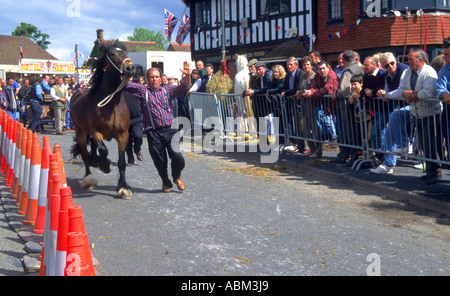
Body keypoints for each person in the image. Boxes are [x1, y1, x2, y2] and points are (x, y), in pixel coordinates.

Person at [124, 61, 191, 193]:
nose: (154, 79)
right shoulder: (143, 91)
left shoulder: (167, 90)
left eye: (156, 77)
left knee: (178, 158)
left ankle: (176, 177)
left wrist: (188, 75)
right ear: (148, 79)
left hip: (170, 130)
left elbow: (185, 86)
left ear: (161, 79)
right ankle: (166, 182)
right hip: (153, 132)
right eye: (151, 77)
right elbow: (126, 85)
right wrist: (125, 72)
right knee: (160, 161)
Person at [398, 48, 442, 185]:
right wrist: (407, 94)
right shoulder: (407, 72)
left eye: (411, 59)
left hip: (430, 113)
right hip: (417, 112)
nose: (408, 62)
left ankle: (434, 172)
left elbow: (428, 92)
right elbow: (401, 89)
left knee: (430, 144)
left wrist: (412, 95)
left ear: (420, 60)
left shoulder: (429, 72)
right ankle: (432, 170)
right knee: (423, 143)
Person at [371, 52, 410, 174]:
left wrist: (387, 95)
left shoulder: (404, 70)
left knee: (393, 118)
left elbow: (401, 91)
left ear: (396, 61)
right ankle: (389, 164)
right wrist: (382, 92)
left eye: (392, 63)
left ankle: (404, 145)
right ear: (383, 67)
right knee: (388, 132)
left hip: (413, 105)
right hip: (400, 106)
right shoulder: (388, 75)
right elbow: (388, 89)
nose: (390, 67)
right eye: (386, 65)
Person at [333, 50, 364, 164]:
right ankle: (347, 155)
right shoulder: (359, 68)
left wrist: (336, 94)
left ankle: (351, 156)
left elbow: (344, 89)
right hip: (356, 105)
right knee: (354, 131)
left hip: (348, 106)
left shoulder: (348, 70)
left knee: (349, 132)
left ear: (345, 60)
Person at [303, 60, 339, 157]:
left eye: (324, 68)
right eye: (320, 69)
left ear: (328, 68)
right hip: (325, 105)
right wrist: (310, 91)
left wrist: (314, 94)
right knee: (318, 114)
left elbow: (327, 88)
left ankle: (335, 142)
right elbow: (314, 87)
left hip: (336, 106)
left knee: (338, 127)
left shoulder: (332, 75)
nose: (322, 70)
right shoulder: (317, 76)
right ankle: (326, 136)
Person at [361, 56, 388, 164]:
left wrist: (371, 93)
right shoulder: (366, 76)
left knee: (376, 132)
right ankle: (379, 155)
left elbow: (381, 91)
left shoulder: (383, 74)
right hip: (376, 108)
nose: (364, 67)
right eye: (364, 65)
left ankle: (384, 155)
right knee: (378, 133)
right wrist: (366, 91)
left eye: (367, 65)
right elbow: (362, 90)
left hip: (386, 108)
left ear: (374, 65)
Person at [294, 56, 316, 156]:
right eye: (304, 65)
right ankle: (311, 149)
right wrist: (301, 93)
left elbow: (310, 90)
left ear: (311, 66)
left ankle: (317, 151)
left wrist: (301, 92)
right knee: (305, 130)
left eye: (308, 65)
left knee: (315, 131)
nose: (306, 66)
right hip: (303, 107)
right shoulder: (302, 76)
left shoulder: (314, 76)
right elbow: (298, 89)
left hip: (312, 107)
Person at [281, 57, 305, 146]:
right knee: (295, 124)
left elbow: (297, 88)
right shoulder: (288, 75)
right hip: (292, 102)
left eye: (291, 64)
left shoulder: (300, 74)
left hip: (300, 102)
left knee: (301, 125)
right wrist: (287, 93)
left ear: (296, 65)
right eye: (287, 65)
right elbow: (284, 88)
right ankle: (298, 144)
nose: (289, 66)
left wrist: (286, 93)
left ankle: (303, 145)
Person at [244, 61, 273, 137]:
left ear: (264, 68)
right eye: (257, 70)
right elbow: (257, 88)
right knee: (260, 121)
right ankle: (263, 141)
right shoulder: (259, 77)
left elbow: (266, 88)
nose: (258, 71)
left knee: (270, 123)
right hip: (261, 103)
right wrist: (248, 91)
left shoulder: (269, 75)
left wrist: (253, 91)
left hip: (270, 103)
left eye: (259, 69)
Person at [123, 78, 144, 166]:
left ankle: (137, 149)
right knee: (127, 141)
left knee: (138, 136)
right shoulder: (120, 90)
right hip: (125, 120)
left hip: (137, 118)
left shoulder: (137, 89)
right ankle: (130, 159)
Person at [437, 40, 450, 162]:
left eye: (447, 54)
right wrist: (443, 93)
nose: (443, 57)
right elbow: (440, 86)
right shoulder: (444, 69)